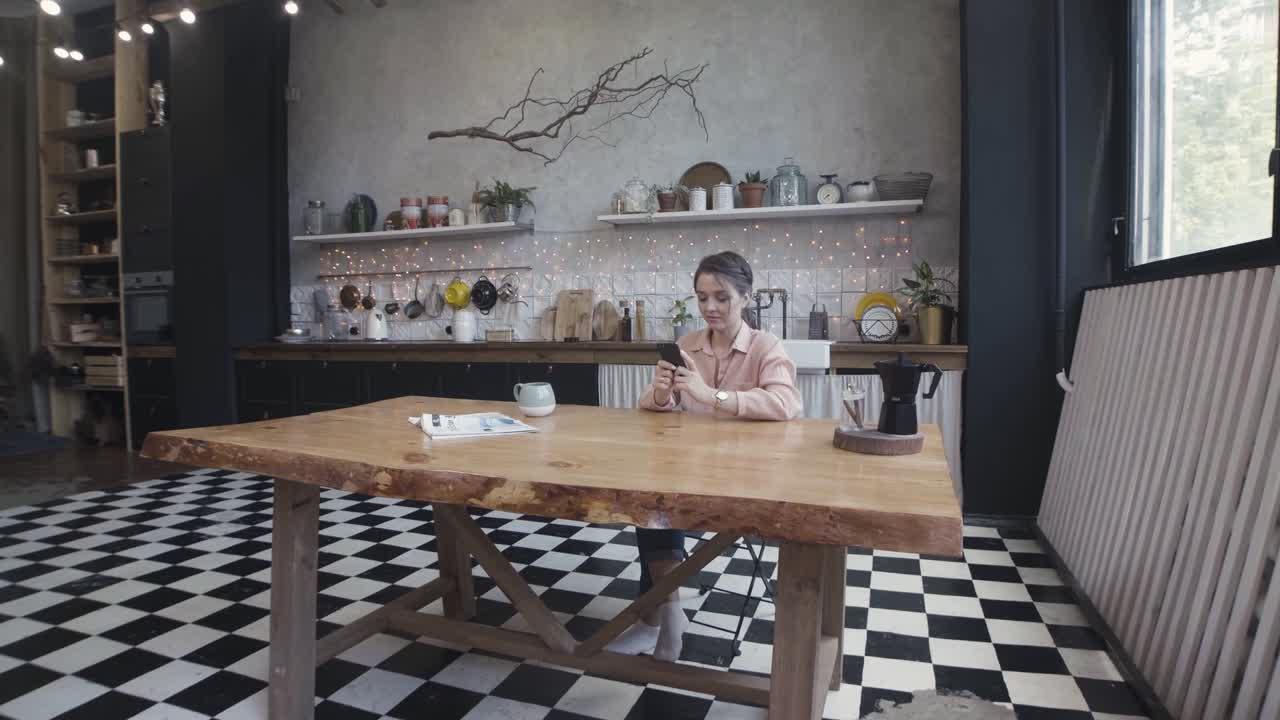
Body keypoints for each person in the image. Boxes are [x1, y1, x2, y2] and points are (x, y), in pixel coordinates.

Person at [606, 250, 803, 661]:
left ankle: (656, 621)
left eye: (722, 297)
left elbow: (786, 403)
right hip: (689, 471)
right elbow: (654, 404)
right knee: (651, 498)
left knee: (659, 503)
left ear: (746, 297)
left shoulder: (765, 346)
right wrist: (662, 391)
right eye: (702, 297)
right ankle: (667, 616)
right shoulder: (686, 345)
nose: (710, 307)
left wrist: (711, 395)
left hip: (747, 476)